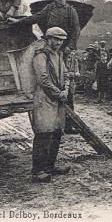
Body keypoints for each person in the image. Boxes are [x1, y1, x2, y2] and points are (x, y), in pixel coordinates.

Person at [9, 0, 81, 133]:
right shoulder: (49, 8)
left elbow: (76, 30)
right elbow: (36, 18)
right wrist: (18, 22)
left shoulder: (71, 11)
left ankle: (68, 124)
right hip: (49, 49)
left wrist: (70, 47)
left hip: (64, 50)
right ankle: (50, 122)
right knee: (47, 81)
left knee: (65, 85)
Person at [31, 27, 71, 183]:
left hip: (58, 98)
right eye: (56, 39)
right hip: (45, 98)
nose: (59, 43)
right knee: (43, 133)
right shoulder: (41, 56)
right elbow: (43, 80)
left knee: (56, 132)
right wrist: (58, 93)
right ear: (48, 39)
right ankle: (37, 171)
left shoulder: (58, 56)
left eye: (61, 40)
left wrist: (66, 90)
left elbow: (66, 74)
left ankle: (50, 166)